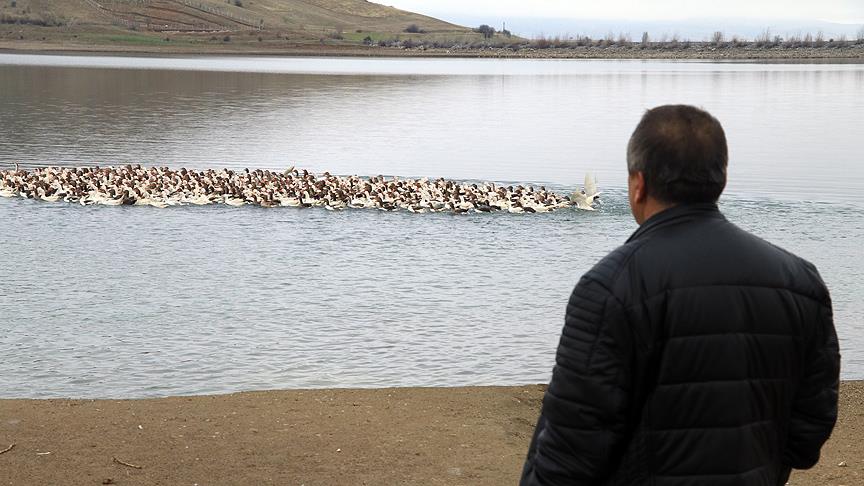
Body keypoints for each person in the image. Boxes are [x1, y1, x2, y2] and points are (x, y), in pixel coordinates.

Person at [520, 105, 840, 486]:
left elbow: (572, 445)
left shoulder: (610, 286)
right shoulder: (800, 281)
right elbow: (810, 429)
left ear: (638, 185)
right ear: (720, 179)